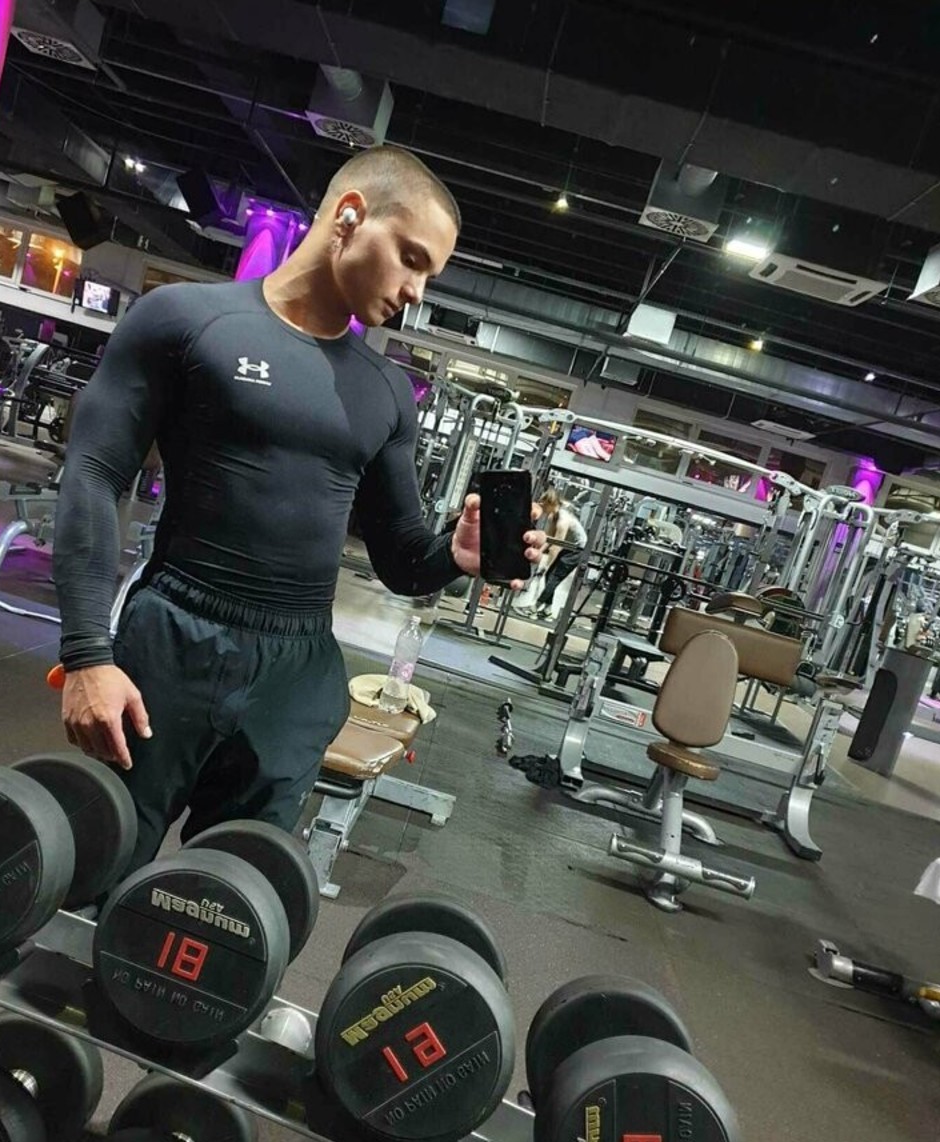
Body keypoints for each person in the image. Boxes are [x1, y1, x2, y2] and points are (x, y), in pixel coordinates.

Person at [52, 145, 545, 871]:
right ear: (350, 216)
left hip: (296, 671)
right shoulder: (184, 320)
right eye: (410, 258)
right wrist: (88, 654)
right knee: (96, 868)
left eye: (429, 275)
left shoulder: (386, 391)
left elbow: (404, 560)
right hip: (173, 642)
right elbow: (95, 474)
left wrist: (454, 554)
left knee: (230, 900)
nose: (415, 291)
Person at [522, 488, 587, 621]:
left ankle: (534, 607)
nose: (542, 508)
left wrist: (546, 566)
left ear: (551, 503)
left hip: (578, 550)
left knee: (553, 577)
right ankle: (547, 610)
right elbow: (549, 539)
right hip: (569, 547)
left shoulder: (563, 520)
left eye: (544, 505)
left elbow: (556, 547)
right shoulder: (553, 516)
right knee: (550, 576)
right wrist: (538, 553)